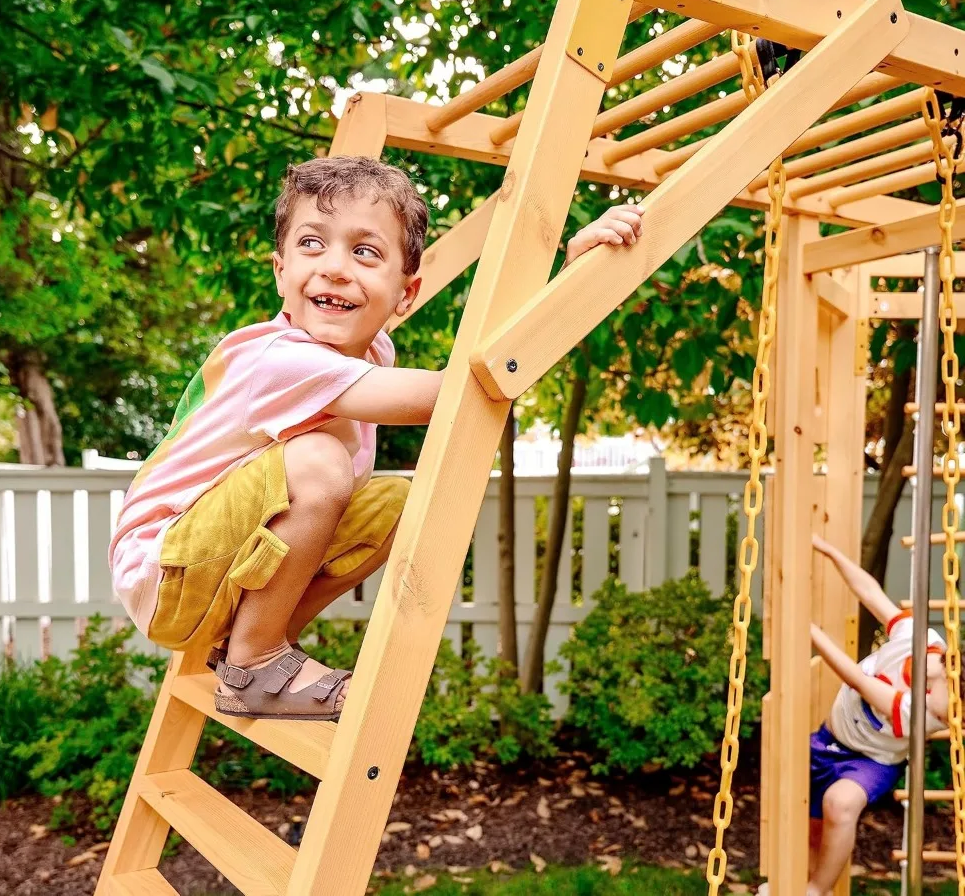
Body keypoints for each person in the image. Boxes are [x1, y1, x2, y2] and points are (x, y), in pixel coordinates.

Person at [109, 154, 645, 721]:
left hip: (216, 571)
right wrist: (571, 286)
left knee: (396, 504)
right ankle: (256, 662)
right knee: (318, 459)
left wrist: (560, 280)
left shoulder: (371, 354)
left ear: (405, 296)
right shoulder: (277, 358)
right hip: (167, 568)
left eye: (365, 252)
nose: (336, 268)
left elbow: (480, 369)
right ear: (279, 271)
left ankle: (250, 641)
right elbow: (457, 392)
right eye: (312, 244)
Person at [759, 534, 948, 896]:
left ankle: (816, 890)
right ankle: (801, 885)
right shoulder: (921, 639)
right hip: (829, 741)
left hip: (871, 761)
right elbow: (871, 594)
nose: (947, 719)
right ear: (947, 673)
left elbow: (857, 680)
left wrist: (808, 628)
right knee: (812, 824)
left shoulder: (920, 714)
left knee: (840, 804)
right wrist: (831, 551)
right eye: (953, 707)